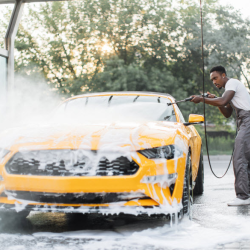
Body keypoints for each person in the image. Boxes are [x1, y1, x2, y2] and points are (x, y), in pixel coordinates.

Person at [191, 65, 250, 206]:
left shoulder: (232, 83)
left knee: (239, 157)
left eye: (215, 78)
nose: (214, 82)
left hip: (247, 121)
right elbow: (227, 112)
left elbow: (223, 101)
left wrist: (202, 99)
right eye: (212, 80)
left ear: (223, 75)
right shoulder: (228, 91)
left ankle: (243, 197)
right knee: (246, 158)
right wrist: (215, 100)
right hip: (243, 121)